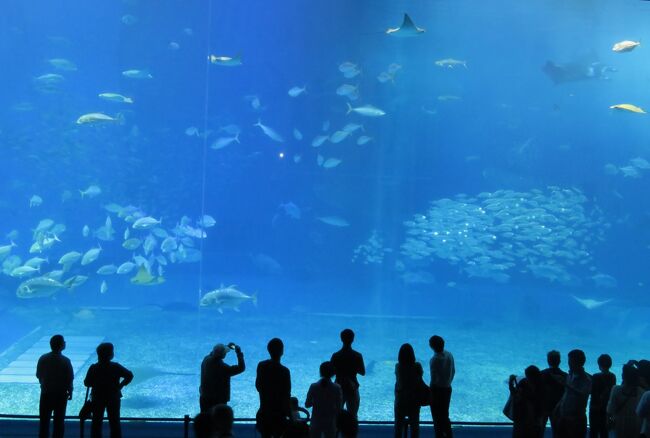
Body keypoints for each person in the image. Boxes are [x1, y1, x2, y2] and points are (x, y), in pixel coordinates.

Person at [84, 342, 133, 438]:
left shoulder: (94, 367)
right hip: (113, 397)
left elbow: (87, 383)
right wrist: (121, 385)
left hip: (97, 398)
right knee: (114, 422)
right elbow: (130, 375)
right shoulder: (115, 366)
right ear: (111, 355)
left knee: (96, 423)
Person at [36, 334, 74, 438]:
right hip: (61, 395)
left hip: (46, 393)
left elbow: (38, 375)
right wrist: (70, 391)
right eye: (64, 342)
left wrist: (44, 384)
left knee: (44, 422)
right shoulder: (66, 361)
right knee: (59, 422)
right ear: (62, 345)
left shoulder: (43, 358)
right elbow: (70, 378)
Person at [256, 337, 291, 438]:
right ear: (282, 351)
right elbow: (286, 396)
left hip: (263, 413)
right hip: (278, 416)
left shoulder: (261, 366)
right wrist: (291, 418)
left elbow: (258, 386)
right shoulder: (284, 371)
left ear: (268, 350)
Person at [555, 349, 591, 438]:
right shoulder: (569, 375)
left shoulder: (587, 379)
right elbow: (566, 394)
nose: (569, 363)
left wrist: (567, 385)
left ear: (578, 362)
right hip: (563, 417)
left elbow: (583, 394)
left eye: (571, 361)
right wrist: (557, 406)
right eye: (569, 361)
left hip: (576, 420)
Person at [200, 342, 245, 412]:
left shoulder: (206, 359)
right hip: (218, 401)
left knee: (205, 419)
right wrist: (239, 353)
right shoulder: (224, 368)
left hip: (204, 397)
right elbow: (241, 368)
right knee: (218, 420)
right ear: (223, 356)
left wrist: (227, 347)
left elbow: (213, 353)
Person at [330, 329, 365, 418]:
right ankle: (351, 431)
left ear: (341, 339)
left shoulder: (336, 355)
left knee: (336, 414)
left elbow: (331, 372)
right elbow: (362, 372)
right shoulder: (357, 355)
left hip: (338, 386)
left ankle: (336, 431)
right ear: (353, 339)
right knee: (352, 415)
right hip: (352, 386)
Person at [305, 361, 342, 438]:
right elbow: (339, 408)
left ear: (320, 372)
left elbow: (307, 404)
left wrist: (315, 401)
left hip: (316, 421)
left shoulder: (314, 386)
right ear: (333, 373)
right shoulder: (337, 388)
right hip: (330, 422)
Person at [394, 343, 424, 438]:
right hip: (414, 400)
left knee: (398, 428)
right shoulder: (417, 366)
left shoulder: (398, 366)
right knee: (415, 428)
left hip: (401, 400)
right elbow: (420, 379)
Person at [607, 363, 642, 438]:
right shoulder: (642, 392)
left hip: (620, 426)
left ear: (623, 376)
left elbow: (610, 410)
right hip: (637, 426)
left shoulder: (616, 389)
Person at [509, 366, 545, 438]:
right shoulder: (541, 385)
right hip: (532, 419)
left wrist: (511, 384)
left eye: (527, 376)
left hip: (524, 419)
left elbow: (515, 396)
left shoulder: (524, 382)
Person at [429, 335, 455, 438]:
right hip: (448, 388)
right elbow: (453, 370)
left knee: (436, 416)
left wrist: (430, 391)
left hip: (437, 390)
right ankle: (448, 435)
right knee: (445, 415)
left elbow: (433, 378)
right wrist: (448, 382)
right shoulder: (449, 354)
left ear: (432, 347)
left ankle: (439, 435)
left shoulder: (434, 360)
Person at [542, 350, 568, 437]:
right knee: (558, 433)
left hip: (543, 407)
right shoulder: (565, 376)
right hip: (558, 408)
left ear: (548, 361)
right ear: (559, 361)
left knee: (539, 431)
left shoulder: (542, 374)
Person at [589, 354, 616, 438]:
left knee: (593, 432)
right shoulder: (613, 376)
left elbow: (592, 391)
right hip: (606, 408)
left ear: (599, 364)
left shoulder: (595, 376)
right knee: (604, 432)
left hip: (595, 408)